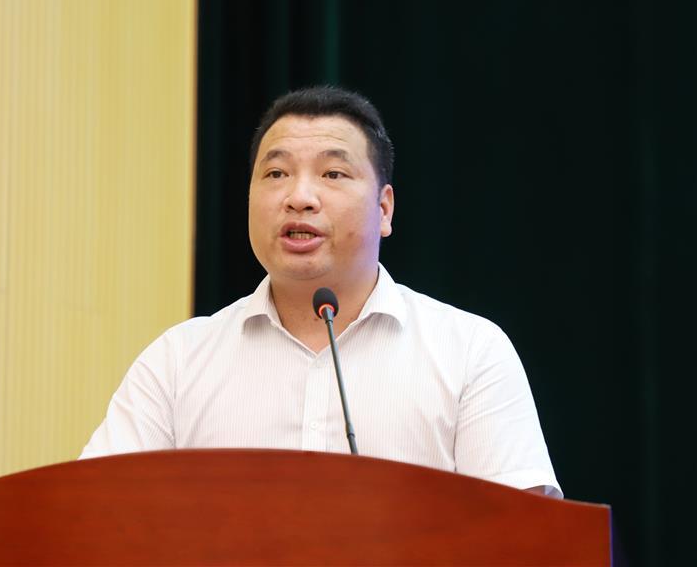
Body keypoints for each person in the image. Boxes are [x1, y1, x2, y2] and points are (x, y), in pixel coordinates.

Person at [79, 85, 562, 498]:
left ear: (384, 209)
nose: (299, 197)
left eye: (333, 174)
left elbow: (522, 539)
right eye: (276, 174)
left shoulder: (470, 353)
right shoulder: (177, 362)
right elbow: (94, 516)